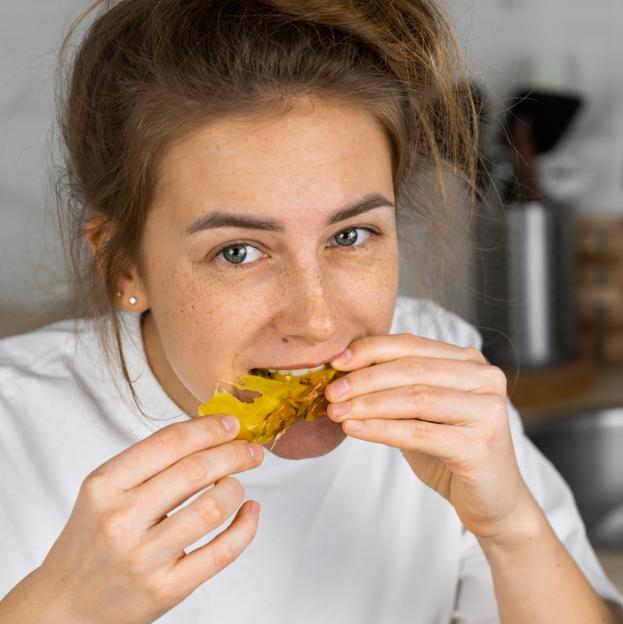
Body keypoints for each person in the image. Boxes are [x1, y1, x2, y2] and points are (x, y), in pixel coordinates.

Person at [0, 1, 622, 622]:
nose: (317, 321)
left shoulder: (439, 372)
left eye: (350, 236)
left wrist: (510, 525)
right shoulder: (14, 429)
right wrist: (59, 608)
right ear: (123, 266)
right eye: (237, 252)